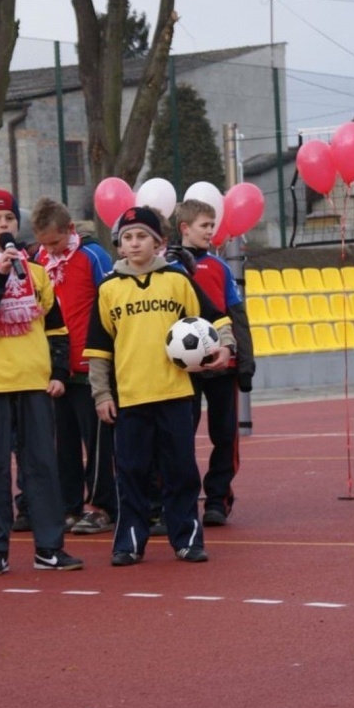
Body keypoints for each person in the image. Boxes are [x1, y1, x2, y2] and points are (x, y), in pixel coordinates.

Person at [83, 205, 235, 567]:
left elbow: (216, 318)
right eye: (127, 238)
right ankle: (130, 542)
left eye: (142, 237)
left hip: (176, 395)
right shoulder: (108, 289)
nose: (134, 243)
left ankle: (186, 539)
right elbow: (99, 351)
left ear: (159, 243)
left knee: (181, 472)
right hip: (130, 398)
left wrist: (226, 346)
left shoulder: (177, 280)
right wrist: (102, 394)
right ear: (119, 245)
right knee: (131, 474)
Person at [0, 188, 83, 576]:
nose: (4, 226)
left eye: (10, 219)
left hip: (34, 381)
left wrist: (59, 373)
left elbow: (57, 327)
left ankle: (49, 548)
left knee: (42, 466)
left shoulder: (37, 272)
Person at [31, 196, 116, 533]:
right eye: (43, 244)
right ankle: (69, 505)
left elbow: (109, 303)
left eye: (54, 242)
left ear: (69, 229)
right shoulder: (38, 259)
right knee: (62, 444)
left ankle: (103, 506)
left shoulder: (93, 256)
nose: (49, 250)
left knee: (96, 442)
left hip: (88, 365)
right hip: (55, 368)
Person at [173, 199, 255, 526]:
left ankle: (218, 499)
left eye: (212, 225)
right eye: (204, 225)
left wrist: (244, 363)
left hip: (223, 365)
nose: (211, 231)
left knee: (225, 435)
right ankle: (180, 498)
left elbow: (236, 316)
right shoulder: (168, 266)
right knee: (179, 436)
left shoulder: (220, 267)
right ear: (185, 228)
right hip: (183, 369)